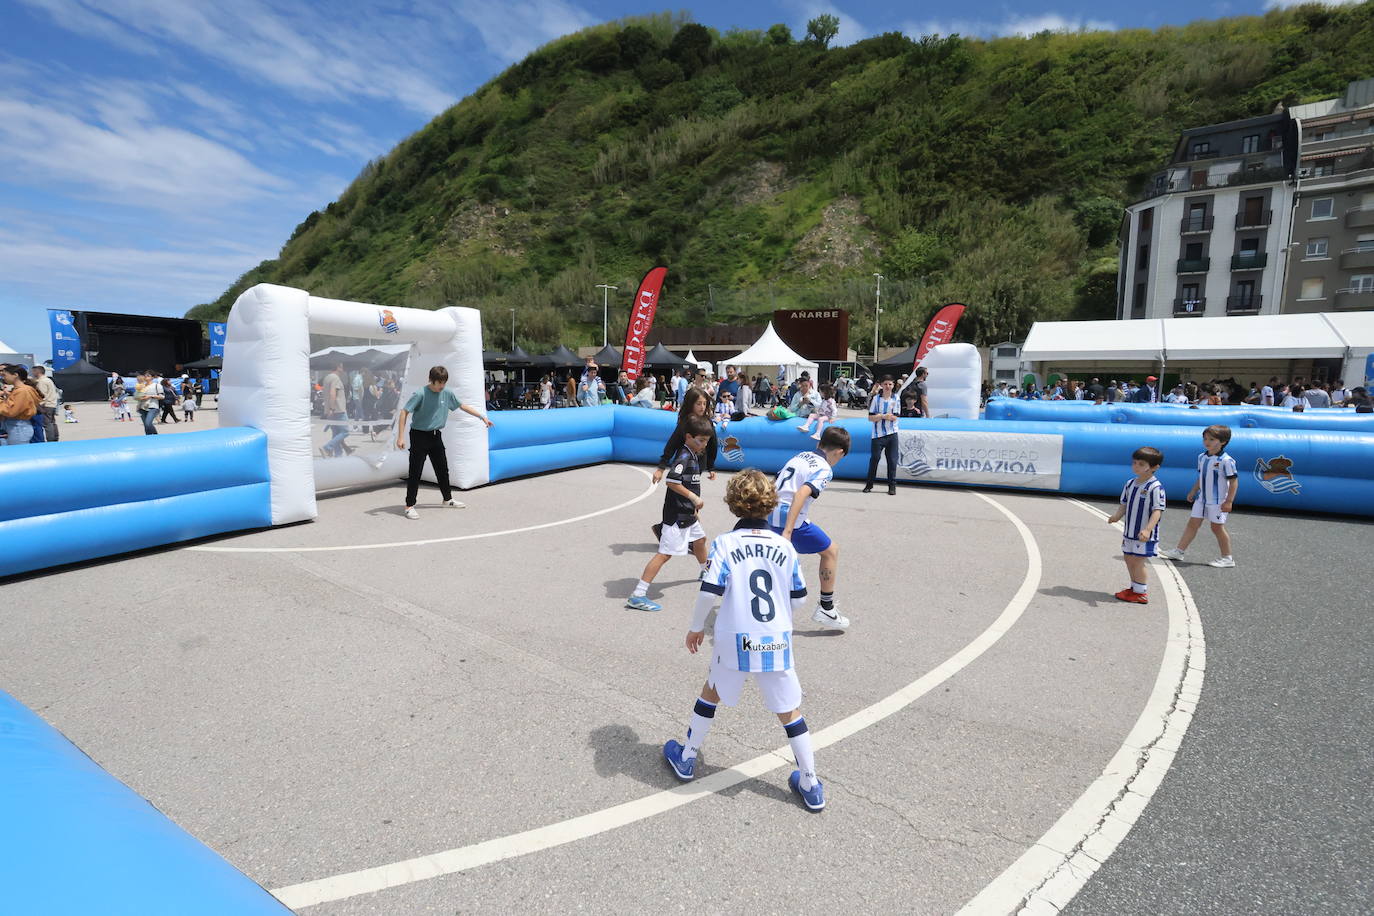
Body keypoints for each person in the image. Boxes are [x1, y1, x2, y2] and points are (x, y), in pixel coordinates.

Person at [662, 469, 826, 810]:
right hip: (775, 640)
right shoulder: (785, 545)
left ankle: (687, 757)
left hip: (734, 638)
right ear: (770, 504)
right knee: (789, 709)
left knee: (712, 691)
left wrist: (695, 627)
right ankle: (810, 782)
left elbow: (709, 592)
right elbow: (799, 598)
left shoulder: (725, 543)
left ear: (733, 504)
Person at [628, 414, 713, 612]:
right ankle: (638, 595)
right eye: (700, 441)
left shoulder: (693, 455)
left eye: (706, 442)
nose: (703, 445)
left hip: (688, 515)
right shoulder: (684, 456)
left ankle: (705, 572)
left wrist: (693, 507)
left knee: (700, 540)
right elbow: (672, 482)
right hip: (677, 517)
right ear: (688, 437)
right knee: (664, 555)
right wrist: (693, 498)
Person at [771, 426, 852, 629]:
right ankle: (826, 608)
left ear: (819, 443)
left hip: (769, 511)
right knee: (830, 551)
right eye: (840, 458)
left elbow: (775, 481)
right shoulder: (824, 468)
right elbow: (800, 494)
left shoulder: (801, 455)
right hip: (788, 519)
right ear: (839, 452)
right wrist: (788, 531)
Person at [395, 365, 492, 520]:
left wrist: (482, 417)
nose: (441, 386)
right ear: (431, 381)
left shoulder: (447, 393)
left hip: (435, 436)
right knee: (415, 472)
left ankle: (447, 500)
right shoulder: (420, 393)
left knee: (442, 469)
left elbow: (462, 406)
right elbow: (404, 411)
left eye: (444, 383)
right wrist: (400, 437)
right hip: (419, 436)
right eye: (439, 383)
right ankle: (409, 506)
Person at [1161, 425, 1238, 568]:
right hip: (1202, 498)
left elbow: (1233, 482)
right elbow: (1201, 477)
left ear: (1223, 442)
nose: (1206, 442)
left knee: (1217, 528)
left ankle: (1227, 558)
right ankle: (1179, 551)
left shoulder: (1226, 461)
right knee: (1192, 524)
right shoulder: (1202, 457)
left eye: (1211, 439)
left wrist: (1229, 501)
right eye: (1205, 438)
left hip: (1217, 501)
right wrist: (1193, 491)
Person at [652, 388, 718, 538]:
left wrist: (711, 466)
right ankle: (685, 534)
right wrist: (661, 468)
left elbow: (713, 444)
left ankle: (680, 532)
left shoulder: (707, 422)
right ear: (690, 404)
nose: (702, 407)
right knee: (678, 498)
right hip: (682, 468)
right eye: (698, 404)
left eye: (704, 404)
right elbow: (671, 445)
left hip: (697, 468)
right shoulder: (685, 423)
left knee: (691, 499)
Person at [1106, 446, 1166, 604]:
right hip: (1130, 531)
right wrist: (1117, 516)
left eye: (1140, 464)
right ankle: (1134, 588)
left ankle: (1141, 593)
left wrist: (1147, 529)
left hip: (1144, 534)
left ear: (1154, 467)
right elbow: (1124, 504)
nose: (1135, 466)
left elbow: (1157, 511)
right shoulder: (1130, 483)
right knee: (1128, 558)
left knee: (1138, 561)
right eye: (1134, 462)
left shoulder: (1155, 487)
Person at [864, 376, 900, 496]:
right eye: (885, 384)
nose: (887, 386)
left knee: (892, 460)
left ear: (893, 385)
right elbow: (870, 417)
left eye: (890, 384)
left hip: (892, 433)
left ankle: (892, 486)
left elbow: (895, 417)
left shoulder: (896, 398)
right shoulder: (876, 399)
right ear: (881, 385)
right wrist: (884, 416)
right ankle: (869, 484)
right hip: (877, 435)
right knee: (874, 459)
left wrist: (881, 416)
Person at [0, 364, 41, 445]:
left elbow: (11, 411)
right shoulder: (23, 389)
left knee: (16, 455)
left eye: (5, 375)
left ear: (15, 375)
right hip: (17, 426)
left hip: (18, 427)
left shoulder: (22, 391)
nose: (3, 377)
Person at [321, 361, 351, 457]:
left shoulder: (327, 378)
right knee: (345, 432)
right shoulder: (336, 378)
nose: (343, 369)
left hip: (330, 410)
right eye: (342, 367)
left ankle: (338, 455)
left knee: (336, 433)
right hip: (338, 409)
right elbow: (332, 393)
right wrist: (332, 408)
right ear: (338, 368)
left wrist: (329, 409)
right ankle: (327, 447)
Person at [31, 365, 59, 442]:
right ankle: (55, 438)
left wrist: (39, 405)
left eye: (33, 371)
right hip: (52, 404)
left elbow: (42, 395)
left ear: (38, 372)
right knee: (52, 423)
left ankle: (50, 439)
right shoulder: (48, 380)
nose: (32, 373)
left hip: (46, 405)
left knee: (47, 424)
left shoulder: (41, 382)